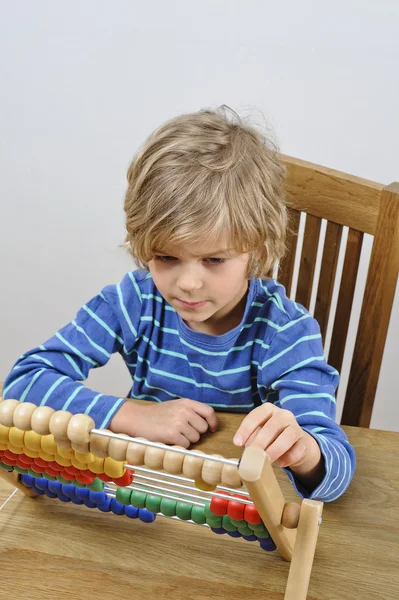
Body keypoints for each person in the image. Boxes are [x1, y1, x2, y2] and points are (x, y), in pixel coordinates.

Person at [2, 107, 355, 502]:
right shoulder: (135, 301)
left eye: (214, 260)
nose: (187, 284)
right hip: (145, 494)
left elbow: (336, 469)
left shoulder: (284, 332)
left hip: (235, 508)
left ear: (256, 249)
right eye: (166, 258)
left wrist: (303, 450)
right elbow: (23, 384)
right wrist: (133, 416)